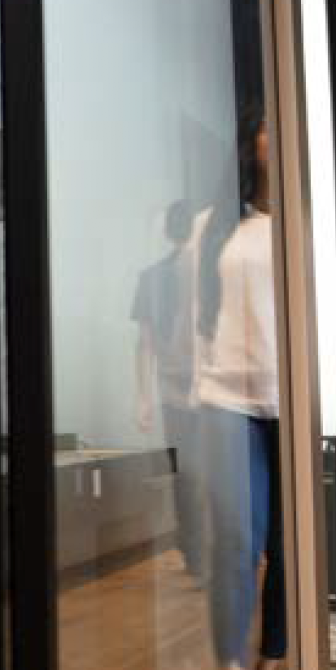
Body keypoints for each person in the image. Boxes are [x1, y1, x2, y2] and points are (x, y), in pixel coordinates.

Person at [194, 116, 286, 670]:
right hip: (227, 396)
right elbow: (199, 313)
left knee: (288, 547)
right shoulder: (216, 224)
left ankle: (268, 665)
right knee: (236, 538)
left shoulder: (309, 220)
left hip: (293, 403)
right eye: (264, 127)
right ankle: (231, 669)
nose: (273, 137)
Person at [132, 199, 207, 587]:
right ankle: (197, 553)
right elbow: (144, 343)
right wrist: (144, 397)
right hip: (184, 389)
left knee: (191, 473)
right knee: (190, 473)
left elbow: (143, 344)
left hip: (198, 388)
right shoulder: (157, 278)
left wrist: (144, 397)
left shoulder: (200, 272)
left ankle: (199, 553)